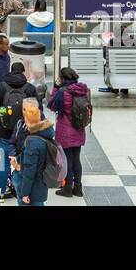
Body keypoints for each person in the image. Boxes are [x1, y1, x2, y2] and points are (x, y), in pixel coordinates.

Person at [0, 60, 37, 198]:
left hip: (5, 131)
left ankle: (0, 191)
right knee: (24, 160)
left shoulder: (1, 87)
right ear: (23, 72)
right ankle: (23, 189)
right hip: (25, 131)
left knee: (3, 162)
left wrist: (2, 120)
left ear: (10, 70)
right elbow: (37, 109)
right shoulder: (29, 88)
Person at [48, 67, 90, 197]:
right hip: (79, 129)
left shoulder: (62, 92)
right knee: (76, 159)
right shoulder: (83, 90)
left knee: (68, 161)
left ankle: (67, 188)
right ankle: (78, 188)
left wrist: (55, 87)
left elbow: (52, 105)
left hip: (66, 131)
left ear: (63, 79)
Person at [14, 99, 58, 206]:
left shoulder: (32, 142)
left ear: (27, 120)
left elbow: (29, 172)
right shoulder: (45, 133)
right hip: (41, 185)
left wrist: (24, 194)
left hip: (32, 189)